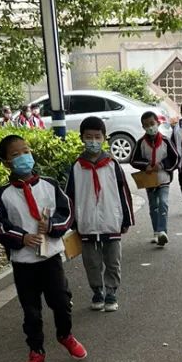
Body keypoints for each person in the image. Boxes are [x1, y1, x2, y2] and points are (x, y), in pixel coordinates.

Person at [0, 134, 87, 362]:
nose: (23, 157)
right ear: (6, 162)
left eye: (26, 151)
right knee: (31, 311)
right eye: (15, 155)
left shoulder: (49, 185)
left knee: (61, 302)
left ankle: (65, 335)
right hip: (24, 262)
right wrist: (21, 237)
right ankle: (36, 352)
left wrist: (52, 226)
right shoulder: (4, 194)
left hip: (50, 258)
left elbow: (67, 213)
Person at [66, 116, 134, 311]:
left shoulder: (112, 164)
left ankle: (111, 292)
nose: (93, 141)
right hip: (86, 223)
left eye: (97, 137)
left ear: (104, 138)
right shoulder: (77, 167)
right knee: (91, 263)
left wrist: (126, 218)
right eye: (89, 137)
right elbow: (69, 196)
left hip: (111, 221)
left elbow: (123, 193)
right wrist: (73, 221)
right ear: (82, 138)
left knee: (113, 261)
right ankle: (97, 291)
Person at [131, 110, 179, 245]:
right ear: (143, 127)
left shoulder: (165, 141)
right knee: (153, 206)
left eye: (152, 123)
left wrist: (162, 165)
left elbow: (175, 158)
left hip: (163, 178)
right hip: (149, 179)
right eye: (146, 125)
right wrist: (146, 165)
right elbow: (133, 160)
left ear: (158, 123)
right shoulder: (141, 143)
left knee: (163, 202)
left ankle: (163, 231)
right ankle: (156, 232)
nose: (150, 127)